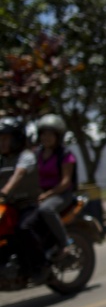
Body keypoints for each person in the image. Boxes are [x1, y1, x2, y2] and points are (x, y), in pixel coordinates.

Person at [0, 118, 46, 282]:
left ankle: (39, 266)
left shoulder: (26, 156)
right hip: (9, 207)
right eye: (0, 139)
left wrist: (6, 190)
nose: (2, 143)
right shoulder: (2, 159)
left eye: (6, 138)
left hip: (28, 205)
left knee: (23, 228)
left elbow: (18, 174)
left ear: (17, 138)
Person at [34, 114, 76, 252]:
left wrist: (47, 194)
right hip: (41, 193)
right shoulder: (37, 154)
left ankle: (65, 242)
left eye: (50, 134)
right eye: (43, 134)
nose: (46, 138)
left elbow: (65, 182)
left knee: (46, 209)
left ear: (58, 136)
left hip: (61, 194)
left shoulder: (65, 154)